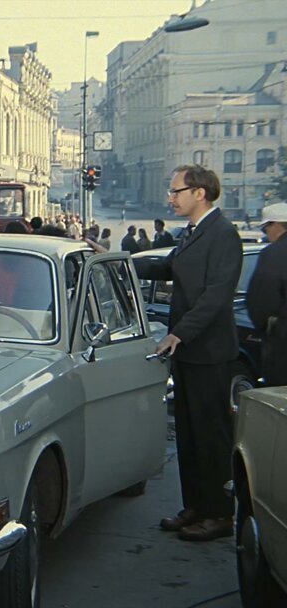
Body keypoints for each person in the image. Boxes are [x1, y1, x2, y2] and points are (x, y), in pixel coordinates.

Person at [133, 165, 242, 542]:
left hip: (210, 352)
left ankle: (220, 514)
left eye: (176, 191)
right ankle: (194, 506)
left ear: (200, 193)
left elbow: (217, 296)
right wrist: (122, 263)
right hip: (189, 353)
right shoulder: (192, 233)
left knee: (211, 436)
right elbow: (168, 267)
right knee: (189, 437)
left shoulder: (223, 234)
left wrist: (179, 333)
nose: (170, 198)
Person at [246, 202, 287, 387]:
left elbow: (260, 301)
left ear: (275, 225)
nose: (265, 233)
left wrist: (265, 326)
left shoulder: (273, 254)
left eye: (265, 228)